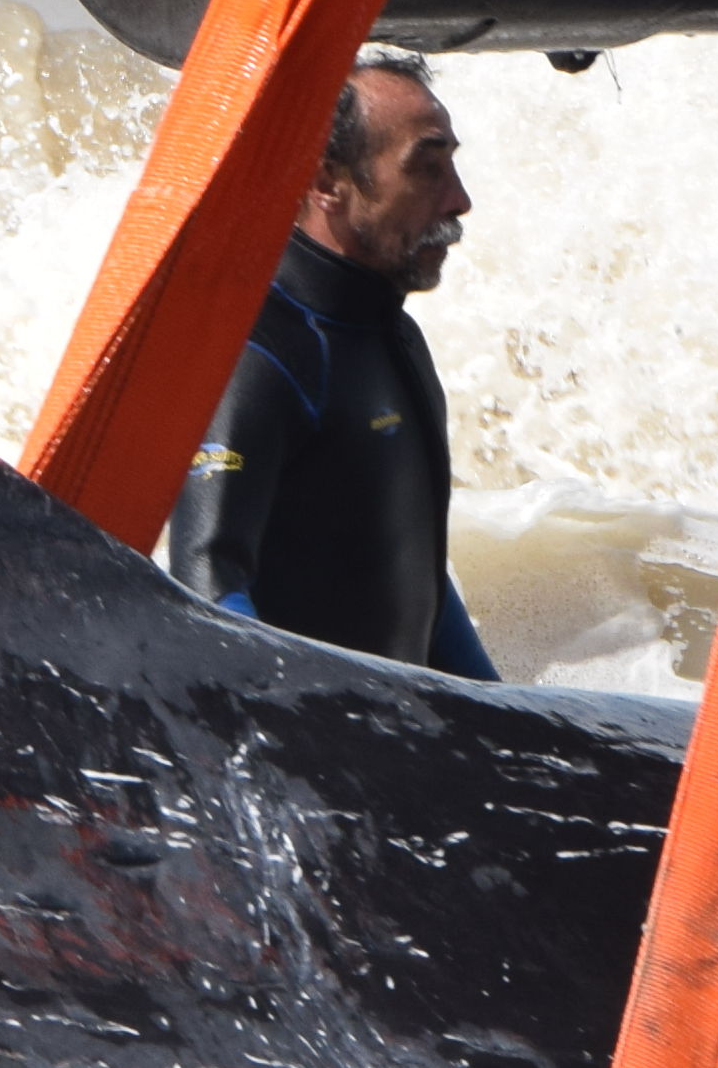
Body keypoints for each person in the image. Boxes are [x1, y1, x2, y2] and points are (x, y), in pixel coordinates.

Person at [161, 52, 498, 677]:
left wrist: (507, 720)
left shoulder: (395, 338)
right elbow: (209, 590)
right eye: (427, 168)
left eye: (453, 162)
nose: (459, 199)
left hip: (401, 741)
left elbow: (410, 571)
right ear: (326, 183)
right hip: (311, 755)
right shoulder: (259, 357)